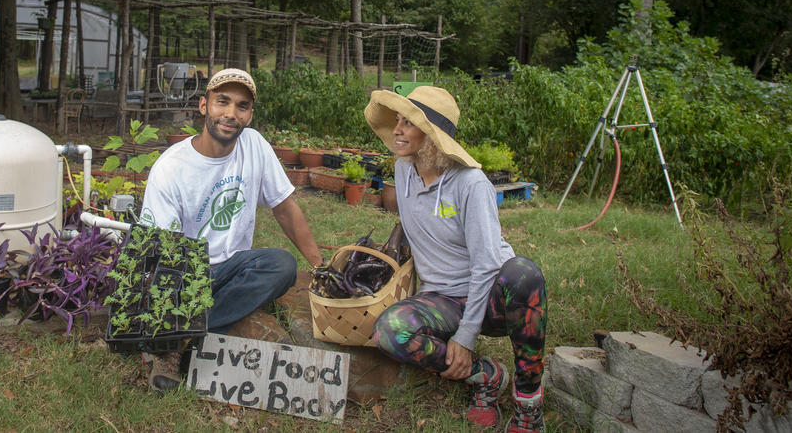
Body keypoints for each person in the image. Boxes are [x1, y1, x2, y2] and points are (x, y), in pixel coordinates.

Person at [364, 85, 547, 433]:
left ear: (432, 136)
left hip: (493, 298)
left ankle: (528, 401)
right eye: (398, 120)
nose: (397, 129)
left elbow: (487, 265)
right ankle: (485, 375)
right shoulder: (404, 171)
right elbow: (412, 228)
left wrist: (465, 336)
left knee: (525, 274)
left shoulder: (471, 184)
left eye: (409, 123)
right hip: (441, 299)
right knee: (390, 332)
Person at [138, 68, 324, 391]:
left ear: (250, 115)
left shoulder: (254, 146)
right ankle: (175, 338)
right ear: (203, 106)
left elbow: (285, 208)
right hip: (183, 273)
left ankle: (183, 335)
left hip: (232, 268)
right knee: (170, 280)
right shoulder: (171, 168)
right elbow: (160, 251)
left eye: (241, 106)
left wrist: (320, 267)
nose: (230, 114)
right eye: (222, 102)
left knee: (281, 266)